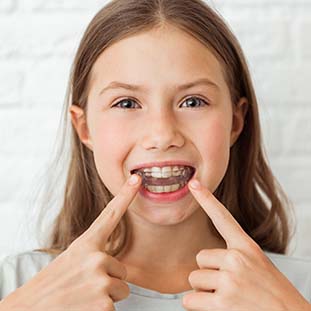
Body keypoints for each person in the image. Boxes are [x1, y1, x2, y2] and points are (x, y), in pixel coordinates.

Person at [0, 0, 310, 310]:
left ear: (236, 121)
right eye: (126, 103)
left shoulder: (298, 288)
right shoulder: (17, 284)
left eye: (193, 102)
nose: (162, 136)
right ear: (85, 128)